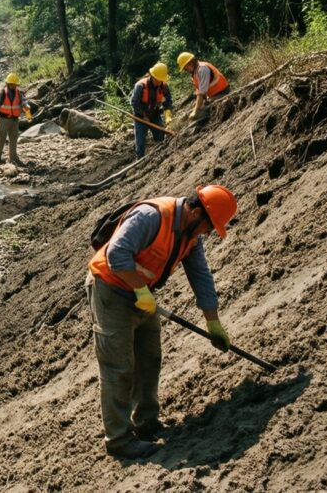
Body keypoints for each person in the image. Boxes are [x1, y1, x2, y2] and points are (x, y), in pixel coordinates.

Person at [86, 185, 238, 459]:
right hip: (111, 291)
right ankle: (119, 441)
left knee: (149, 358)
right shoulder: (151, 217)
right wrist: (141, 289)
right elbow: (116, 255)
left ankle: (146, 422)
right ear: (195, 213)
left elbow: (201, 276)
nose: (208, 233)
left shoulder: (191, 236)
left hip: (141, 295)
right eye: (209, 227)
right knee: (118, 367)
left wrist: (212, 322)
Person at [129, 63, 173, 159]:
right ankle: (139, 161)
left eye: (162, 80)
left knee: (161, 138)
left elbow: (168, 103)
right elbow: (134, 103)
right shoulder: (140, 86)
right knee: (140, 143)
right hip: (140, 118)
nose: (160, 82)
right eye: (159, 79)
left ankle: (162, 157)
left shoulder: (164, 86)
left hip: (155, 115)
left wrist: (168, 118)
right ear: (153, 77)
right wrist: (143, 116)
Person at [177, 52, 230, 130]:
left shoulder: (202, 69)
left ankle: (200, 129)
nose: (185, 70)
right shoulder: (195, 72)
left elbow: (201, 93)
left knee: (198, 114)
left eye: (185, 68)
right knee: (190, 114)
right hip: (214, 96)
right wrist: (196, 108)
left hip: (222, 93)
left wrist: (196, 111)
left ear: (190, 63)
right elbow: (200, 93)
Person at [0, 72, 32, 166]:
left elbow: (23, 102)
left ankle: (13, 158)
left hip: (15, 120)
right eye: (13, 84)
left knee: (13, 139)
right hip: (3, 119)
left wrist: (26, 106)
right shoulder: (2, 92)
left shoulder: (19, 92)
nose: (15, 86)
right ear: (8, 84)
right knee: (1, 139)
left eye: (16, 84)